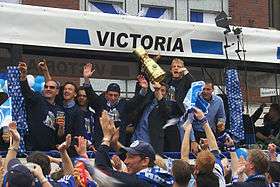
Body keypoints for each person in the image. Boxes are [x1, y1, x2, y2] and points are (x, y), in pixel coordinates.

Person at [95, 111, 174, 187]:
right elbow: (134, 160)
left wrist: (106, 139)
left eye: (130, 157)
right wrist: (114, 143)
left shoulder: (140, 181)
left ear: (145, 161)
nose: (125, 161)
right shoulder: (157, 176)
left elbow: (101, 172)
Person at [83, 63, 148, 145]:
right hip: (101, 143)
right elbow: (90, 94)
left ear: (119, 95)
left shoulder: (124, 105)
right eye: (110, 95)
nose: (113, 98)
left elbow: (136, 100)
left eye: (115, 95)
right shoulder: (100, 103)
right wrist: (86, 79)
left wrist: (144, 89)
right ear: (106, 94)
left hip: (118, 144)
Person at [18, 62, 65, 151]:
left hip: (50, 150)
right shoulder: (38, 99)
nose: (48, 89)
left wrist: (62, 127)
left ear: (57, 92)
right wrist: (24, 75)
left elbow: (59, 135)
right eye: (46, 87)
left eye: (52, 87)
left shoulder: (59, 110)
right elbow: (26, 91)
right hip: (33, 149)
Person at [131, 80, 182, 154]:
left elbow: (166, 113)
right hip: (135, 141)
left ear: (166, 93)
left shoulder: (169, 105)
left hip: (151, 146)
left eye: (162, 90)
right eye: (157, 90)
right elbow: (137, 101)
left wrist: (159, 94)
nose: (159, 92)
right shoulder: (147, 102)